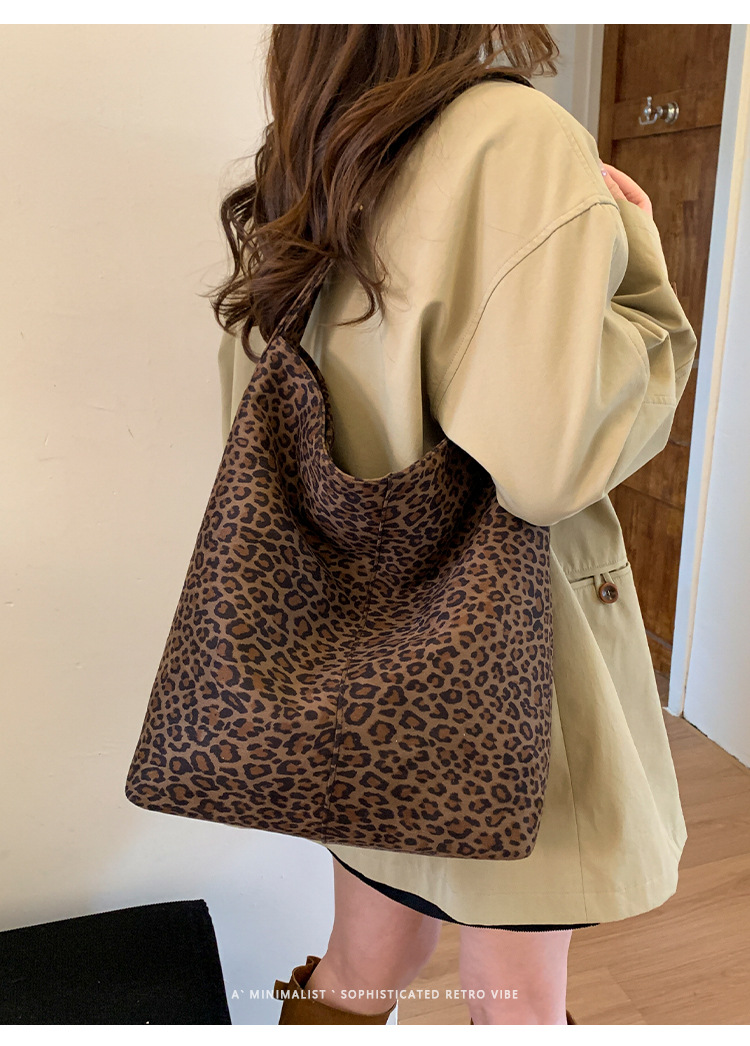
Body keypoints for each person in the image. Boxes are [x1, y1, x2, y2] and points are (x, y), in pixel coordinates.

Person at [211, 25, 697, 1026]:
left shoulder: (313, 150)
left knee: (361, 963)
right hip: (508, 672)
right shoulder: (513, 138)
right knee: (516, 1002)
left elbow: (258, 426)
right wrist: (639, 261)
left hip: (355, 670)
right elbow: (550, 465)